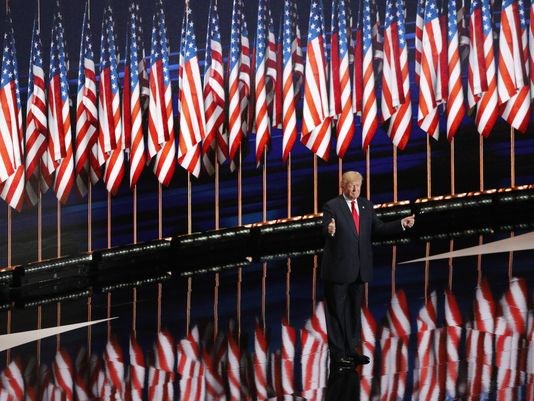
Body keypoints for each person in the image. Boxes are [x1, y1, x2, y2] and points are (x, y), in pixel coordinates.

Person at [321, 171, 415, 370]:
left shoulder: (366, 205)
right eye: (351, 186)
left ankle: (351, 350)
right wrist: (329, 230)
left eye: (358, 186)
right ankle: (338, 355)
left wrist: (401, 224)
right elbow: (325, 228)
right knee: (337, 312)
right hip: (338, 269)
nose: (355, 189)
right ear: (343, 186)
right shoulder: (332, 206)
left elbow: (378, 228)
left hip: (359, 269)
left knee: (354, 310)